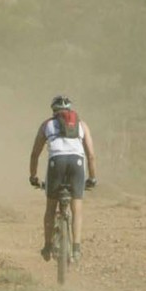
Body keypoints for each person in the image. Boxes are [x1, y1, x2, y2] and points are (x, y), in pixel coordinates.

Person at [27, 95, 97, 261]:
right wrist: (92, 178)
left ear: (53, 111)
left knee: (51, 206)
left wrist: (33, 176)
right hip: (77, 163)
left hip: (56, 163)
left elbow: (35, 154)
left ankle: (47, 246)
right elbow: (91, 155)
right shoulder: (82, 125)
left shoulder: (47, 124)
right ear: (70, 110)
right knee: (76, 207)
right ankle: (76, 248)